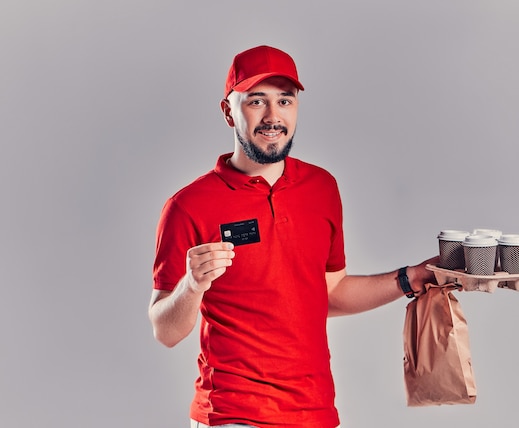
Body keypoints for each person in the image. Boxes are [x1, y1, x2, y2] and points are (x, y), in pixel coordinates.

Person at [149, 45, 439, 428]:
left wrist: (411, 278)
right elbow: (165, 331)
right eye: (256, 101)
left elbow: (328, 292)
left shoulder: (321, 188)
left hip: (315, 413)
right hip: (233, 416)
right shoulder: (188, 206)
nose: (273, 117)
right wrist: (192, 285)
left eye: (284, 101)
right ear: (228, 112)